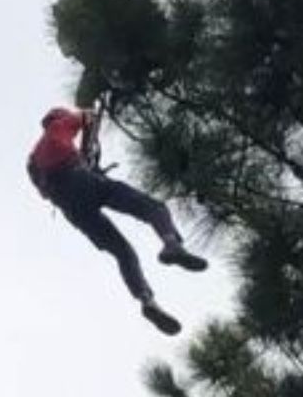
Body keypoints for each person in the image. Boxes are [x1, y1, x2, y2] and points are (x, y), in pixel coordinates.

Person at [26, 105, 208, 335]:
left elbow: (45, 193)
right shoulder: (61, 124)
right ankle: (172, 245)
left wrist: (83, 160)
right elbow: (88, 118)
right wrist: (87, 114)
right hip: (82, 182)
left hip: (71, 209)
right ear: (58, 117)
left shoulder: (33, 161)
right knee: (152, 208)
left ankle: (147, 302)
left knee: (123, 253)